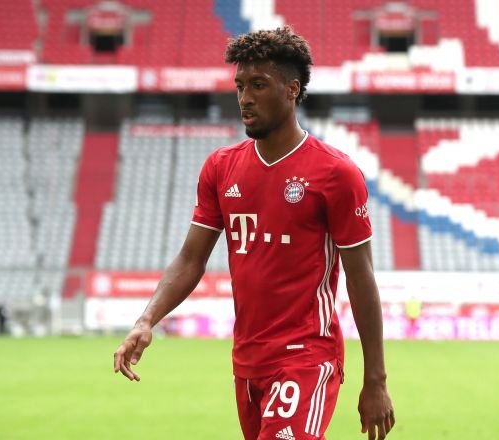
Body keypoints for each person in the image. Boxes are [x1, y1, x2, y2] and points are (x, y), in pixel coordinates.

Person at [114, 26, 395, 439]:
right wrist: (146, 319)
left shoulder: (336, 173)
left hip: (307, 355)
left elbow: (361, 276)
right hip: (247, 361)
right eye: (240, 86)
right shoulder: (220, 167)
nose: (245, 98)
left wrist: (376, 379)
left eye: (259, 85)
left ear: (292, 90)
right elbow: (191, 259)